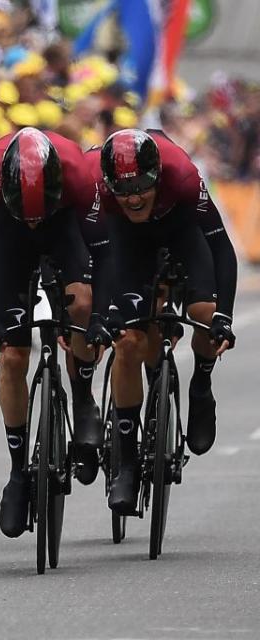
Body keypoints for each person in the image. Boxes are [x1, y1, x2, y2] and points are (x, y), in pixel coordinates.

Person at [0, 127, 100, 538]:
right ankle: (19, 473)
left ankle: (83, 398)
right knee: (14, 353)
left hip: (65, 228)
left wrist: (98, 318)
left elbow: (107, 252)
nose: (34, 216)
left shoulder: (78, 172)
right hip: (10, 235)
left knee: (84, 304)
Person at [92, 129, 238, 514]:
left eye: (142, 185)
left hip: (182, 234)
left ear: (158, 175)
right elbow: (98, 255)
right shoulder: (98, 187)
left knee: (204, 315)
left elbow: (221, 246)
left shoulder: (184, 177)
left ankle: (201, 387)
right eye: (124, 189)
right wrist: (103, 312)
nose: (135, 196)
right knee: (127, 341)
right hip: (127, 242)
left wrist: (225, 315)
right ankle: (126, 463)